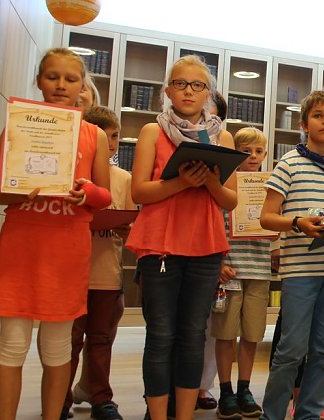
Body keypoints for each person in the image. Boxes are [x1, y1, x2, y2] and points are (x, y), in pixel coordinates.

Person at [0, 47, 112, 420]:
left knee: (58, 346)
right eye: (52, 77)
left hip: (66, 250)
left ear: (82, 86)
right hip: (22, 246)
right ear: (39, 81)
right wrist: (15, 188)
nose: (61, 85)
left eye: (71, 79)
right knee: (11, 344)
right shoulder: (18, 123)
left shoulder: (94, 135)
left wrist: (84, 193)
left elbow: (104, 196)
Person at [126, 54, 237, 420]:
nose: (189, 91)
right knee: (160, 335)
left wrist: (208, 181)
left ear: (209, 93)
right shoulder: (151, 132)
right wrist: (179, 183)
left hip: (205, 245)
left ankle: (184, 416)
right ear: (167, 90)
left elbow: (231, 199)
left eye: (198, 85)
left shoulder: (222, 136)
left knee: (192, 334)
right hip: (159, 244)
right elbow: (139, 192)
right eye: (180, 83)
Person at [258, 90, 324, 420]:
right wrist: (298, 223)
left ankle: (309, 413)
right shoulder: (288, 163)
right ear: (304, 123)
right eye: (319, 115)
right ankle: (272, 414)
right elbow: (266, 216)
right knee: (291, 350)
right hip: (300, 271)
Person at [62, 106, 134, 420]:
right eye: (105, 137)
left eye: (116, 136)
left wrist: (124, 226)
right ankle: (59, 398)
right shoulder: (68, 175)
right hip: (71, 272)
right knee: (69, 341)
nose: (112, 143)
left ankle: (101, 398)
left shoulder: (123, 179)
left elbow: (131, 228)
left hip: (107, 272)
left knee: (101, 340)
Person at [211, 127, 273, 419]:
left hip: (259, 270)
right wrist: (219, 263)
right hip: (230, 269)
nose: (252, 157)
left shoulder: (269, 185)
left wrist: (272, 230)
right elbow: (214, 225)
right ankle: (225, 390)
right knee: (225, 334)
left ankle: (245, 388)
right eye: (246, 151)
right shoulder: (223, 184)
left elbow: (274, 232)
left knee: (252, 334)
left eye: (258, 151)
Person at [196, 89, 230, 413]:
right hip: (174, 240)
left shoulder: (223, 147)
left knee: (208, 325)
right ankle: (165, 390)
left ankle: (202, 386)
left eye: (213, 111)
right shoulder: (161, 134)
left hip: (214, 241)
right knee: (171, 326)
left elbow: (229, 201)